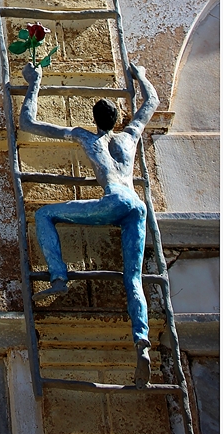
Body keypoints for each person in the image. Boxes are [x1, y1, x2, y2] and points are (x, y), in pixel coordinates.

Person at [18, 59, 160, 387]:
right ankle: (142, 342)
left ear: (94, 121)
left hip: (113, 202)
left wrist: (34, 82)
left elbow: (29, 123)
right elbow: (151, 101)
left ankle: (58, 277)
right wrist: (139, 74)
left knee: (44, 214)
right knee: (133, 279)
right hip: (136, 206)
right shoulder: (130, 135)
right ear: (116, 120)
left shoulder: (87, 137)